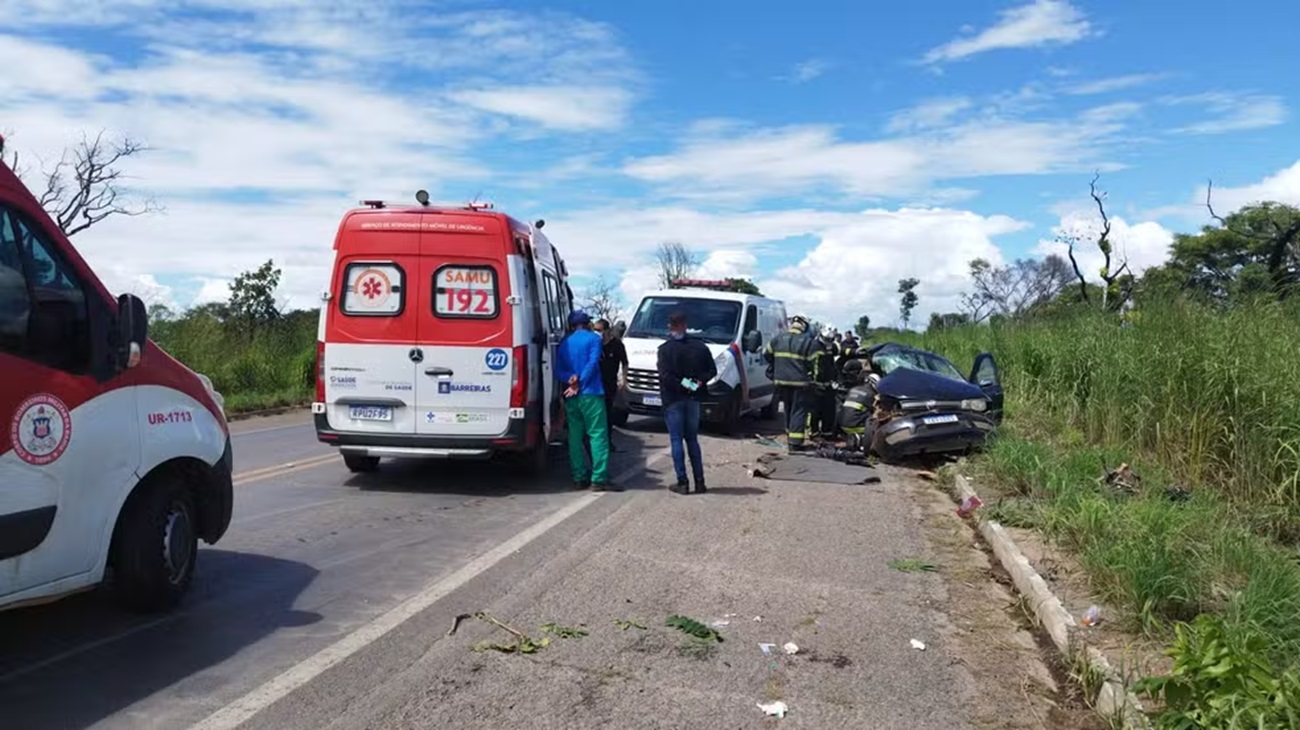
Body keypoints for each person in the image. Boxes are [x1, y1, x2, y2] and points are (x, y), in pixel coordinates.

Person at [555, 310, 618, 491]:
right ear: (587, 324)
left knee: (575, 436)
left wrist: (571, 379)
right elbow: (592, 363)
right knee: (597, 434)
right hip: (590, 392)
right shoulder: (594, 340)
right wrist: (580, 381)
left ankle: (579, 477)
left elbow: (559, 369)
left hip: (571, 396)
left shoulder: (565, 342)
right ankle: (599, 478)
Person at [657, 310, 717, 494]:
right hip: (694, 398)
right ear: (686, 324)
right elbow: (712, 370)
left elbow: (666, 376)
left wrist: (685, 384)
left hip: (674, 399)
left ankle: (682, 482)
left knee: (676, 440)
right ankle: (700, 481)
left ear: (671, 326)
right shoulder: (700, 347)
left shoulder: (665, 349)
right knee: (692, 440)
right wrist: (695, 384)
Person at [763, 314, 819, 453]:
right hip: (800, 382)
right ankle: (795, 443)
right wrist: (814, 379)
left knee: (787, 409)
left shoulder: (778, 339)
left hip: (781, 381)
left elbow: (766, 353)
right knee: (799, 412)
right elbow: (815, 364)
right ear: (804, 326)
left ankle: (790, 436)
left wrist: (776, 366)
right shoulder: (808, 342)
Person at [593, 318, 628, 451]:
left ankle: (608, 441)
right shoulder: (595, 344)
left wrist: (624, 379)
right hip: (595, 383)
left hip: (610, 383)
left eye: (599, 330)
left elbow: (624, 362)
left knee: (607, 413)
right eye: (595, 330)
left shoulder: (617, 345)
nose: (597, 333)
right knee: (596, 414)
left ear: (607, 330)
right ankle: (597, 442)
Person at [836, 359, 876, 452]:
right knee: (875, 419)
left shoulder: (854, 389)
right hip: (856, 427)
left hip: (842, 426)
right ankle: (860, 439)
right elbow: (875, 411)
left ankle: (852, 437)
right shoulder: (871, 394)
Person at [810, 325, 839, 439]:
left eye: (831, 340)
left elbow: (839, 351)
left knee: (829, 409)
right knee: (815, 410)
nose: (829, 342)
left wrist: (855, 351)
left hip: (829, 384)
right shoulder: (815, 347)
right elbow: (815, 367)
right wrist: (816, 382)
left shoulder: (831, 347)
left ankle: (827, 433)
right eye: (828, 339)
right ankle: (814, 432)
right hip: (816, 385)